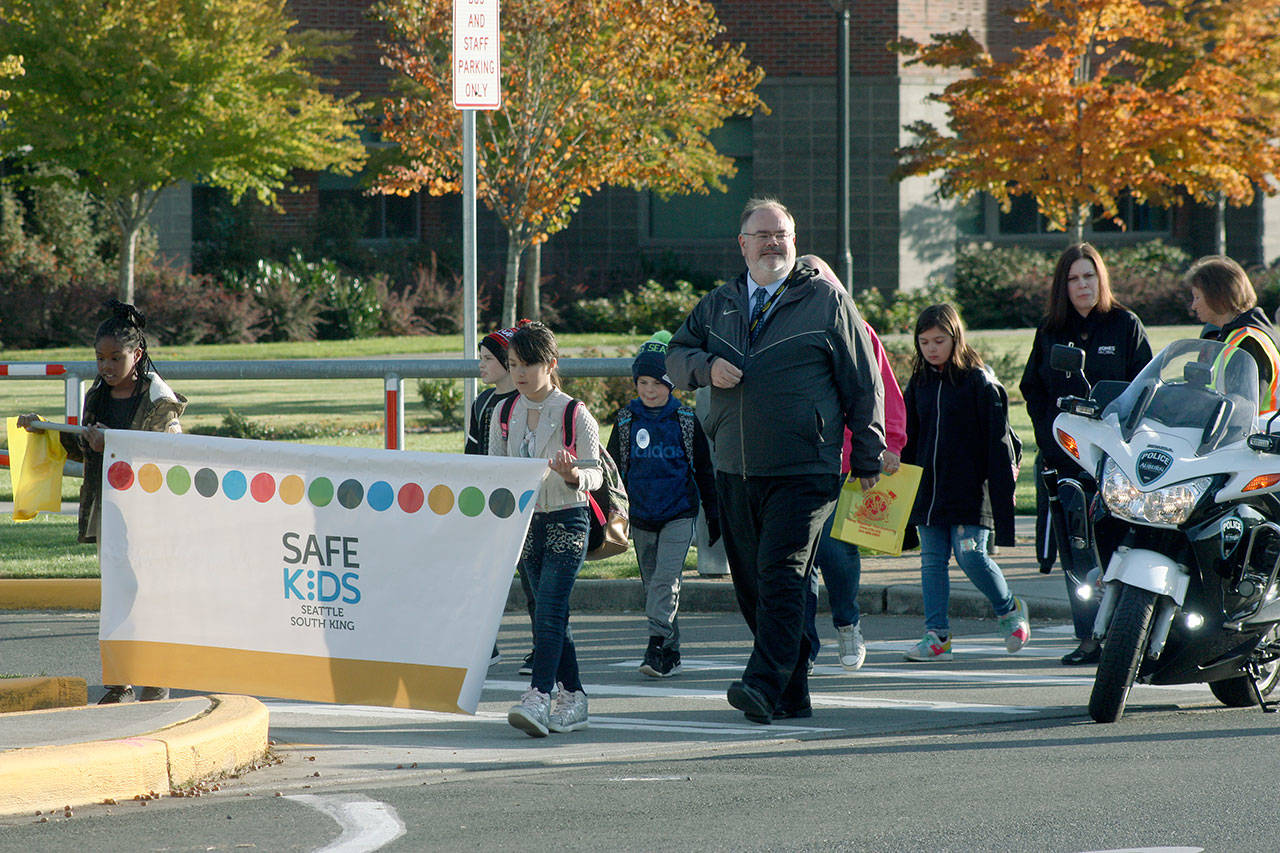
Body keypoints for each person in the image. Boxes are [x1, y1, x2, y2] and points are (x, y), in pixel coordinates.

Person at [666, 197, 885, 724]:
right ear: (742, 245)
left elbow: (864, 379)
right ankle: (792, 690)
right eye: (761, 234)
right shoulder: (718, 304)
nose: (773, 243)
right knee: (753, 586)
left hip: (805, 468)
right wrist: (705, 364)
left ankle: (762, 683)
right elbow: (671, 358)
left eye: (781, 234)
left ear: (794, 239)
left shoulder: (826, 300)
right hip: (735, 467)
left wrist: (868, 452)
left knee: (782, 573)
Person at [19, 299, 186, 704]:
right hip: (110, 510)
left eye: (116, 357)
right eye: (100, 358)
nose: (107, 366)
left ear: (138, 355)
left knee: (148, 593)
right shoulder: (97, 395)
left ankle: (156, 675)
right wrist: (46, 430)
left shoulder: (159, 401)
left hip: (151, 515)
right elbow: (84, 447)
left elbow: (164, 455)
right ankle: (121, 681)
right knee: (116, 596)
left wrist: (111, 442)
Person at [1019, 243, 1152, 665]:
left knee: (1118, 548)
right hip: (1064, 461)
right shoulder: (1050, 330)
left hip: (1115, 462)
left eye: (1089, 276)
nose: (1082, 285)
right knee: (1076, 550)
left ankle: (1126, 638)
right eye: (1074, 278)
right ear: (1064, 285)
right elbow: (1032, 389)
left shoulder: (1124, 325)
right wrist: (1049, 439)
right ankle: (1089, 637)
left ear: (1101, 279)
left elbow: (1147, 388)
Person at [487, 321, 603, 738]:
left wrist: (574, 475)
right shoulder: (503, 412)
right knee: (545, 613)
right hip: (525, 525)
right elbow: (496, 473)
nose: (519, 374)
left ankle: (538, 695)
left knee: (551, 608)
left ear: (551, 365)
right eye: (514, 364)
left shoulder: (575, 412)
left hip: (568, 517)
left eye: (529, 365)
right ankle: (573, 696)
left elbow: (597, 475)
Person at [797, 255, 906, 673]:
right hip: (797, 461)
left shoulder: (861, 333)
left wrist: (888, 444)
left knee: (835, 552)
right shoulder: (788, 330)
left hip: (845, 461)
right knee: (798, 559)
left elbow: (882, 395)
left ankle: (847, 622)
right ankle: (802, 646)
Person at [902, 303, 1028, 662]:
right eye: (924, 341)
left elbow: (999, 440)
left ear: (956, 338)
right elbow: (908, 433)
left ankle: (1009, 609)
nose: (931, 348)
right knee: (932, 561)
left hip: (973, 489)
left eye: (939, 340)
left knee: (971, 553)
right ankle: (936, 635)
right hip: (930, 491)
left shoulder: (979, 380)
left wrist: (1004, 489)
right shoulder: (920, 381)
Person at [606, 331, 719, 678]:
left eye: (657, 382)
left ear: (671, 384)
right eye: (642, 382)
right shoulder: (626, 421)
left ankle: (655, 645)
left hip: (678, 515)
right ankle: (671, 652)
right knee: (653, 585)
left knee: (665, 582)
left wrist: (713, 516)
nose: (649, 390)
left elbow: (704, 470)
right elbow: (610, 471)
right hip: (641, 517)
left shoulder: (684, 421)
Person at [464, 325, 525, 670]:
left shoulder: (522, 400)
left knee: (531, 578)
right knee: (480, 574)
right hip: (486, 505)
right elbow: (471, 456)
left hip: (519, 504)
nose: (481, 365)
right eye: (480, 358)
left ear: (506, 362)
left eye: (488, 359)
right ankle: (485, 643)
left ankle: (541, 646)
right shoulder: (482, 402)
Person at [1187, 255, 1280, 413]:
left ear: (1217, 296)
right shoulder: (1236, 334)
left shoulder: (1249, 341)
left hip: (1255, 435)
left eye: (1197, 297)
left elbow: (1243, 410)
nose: (1194, 305)